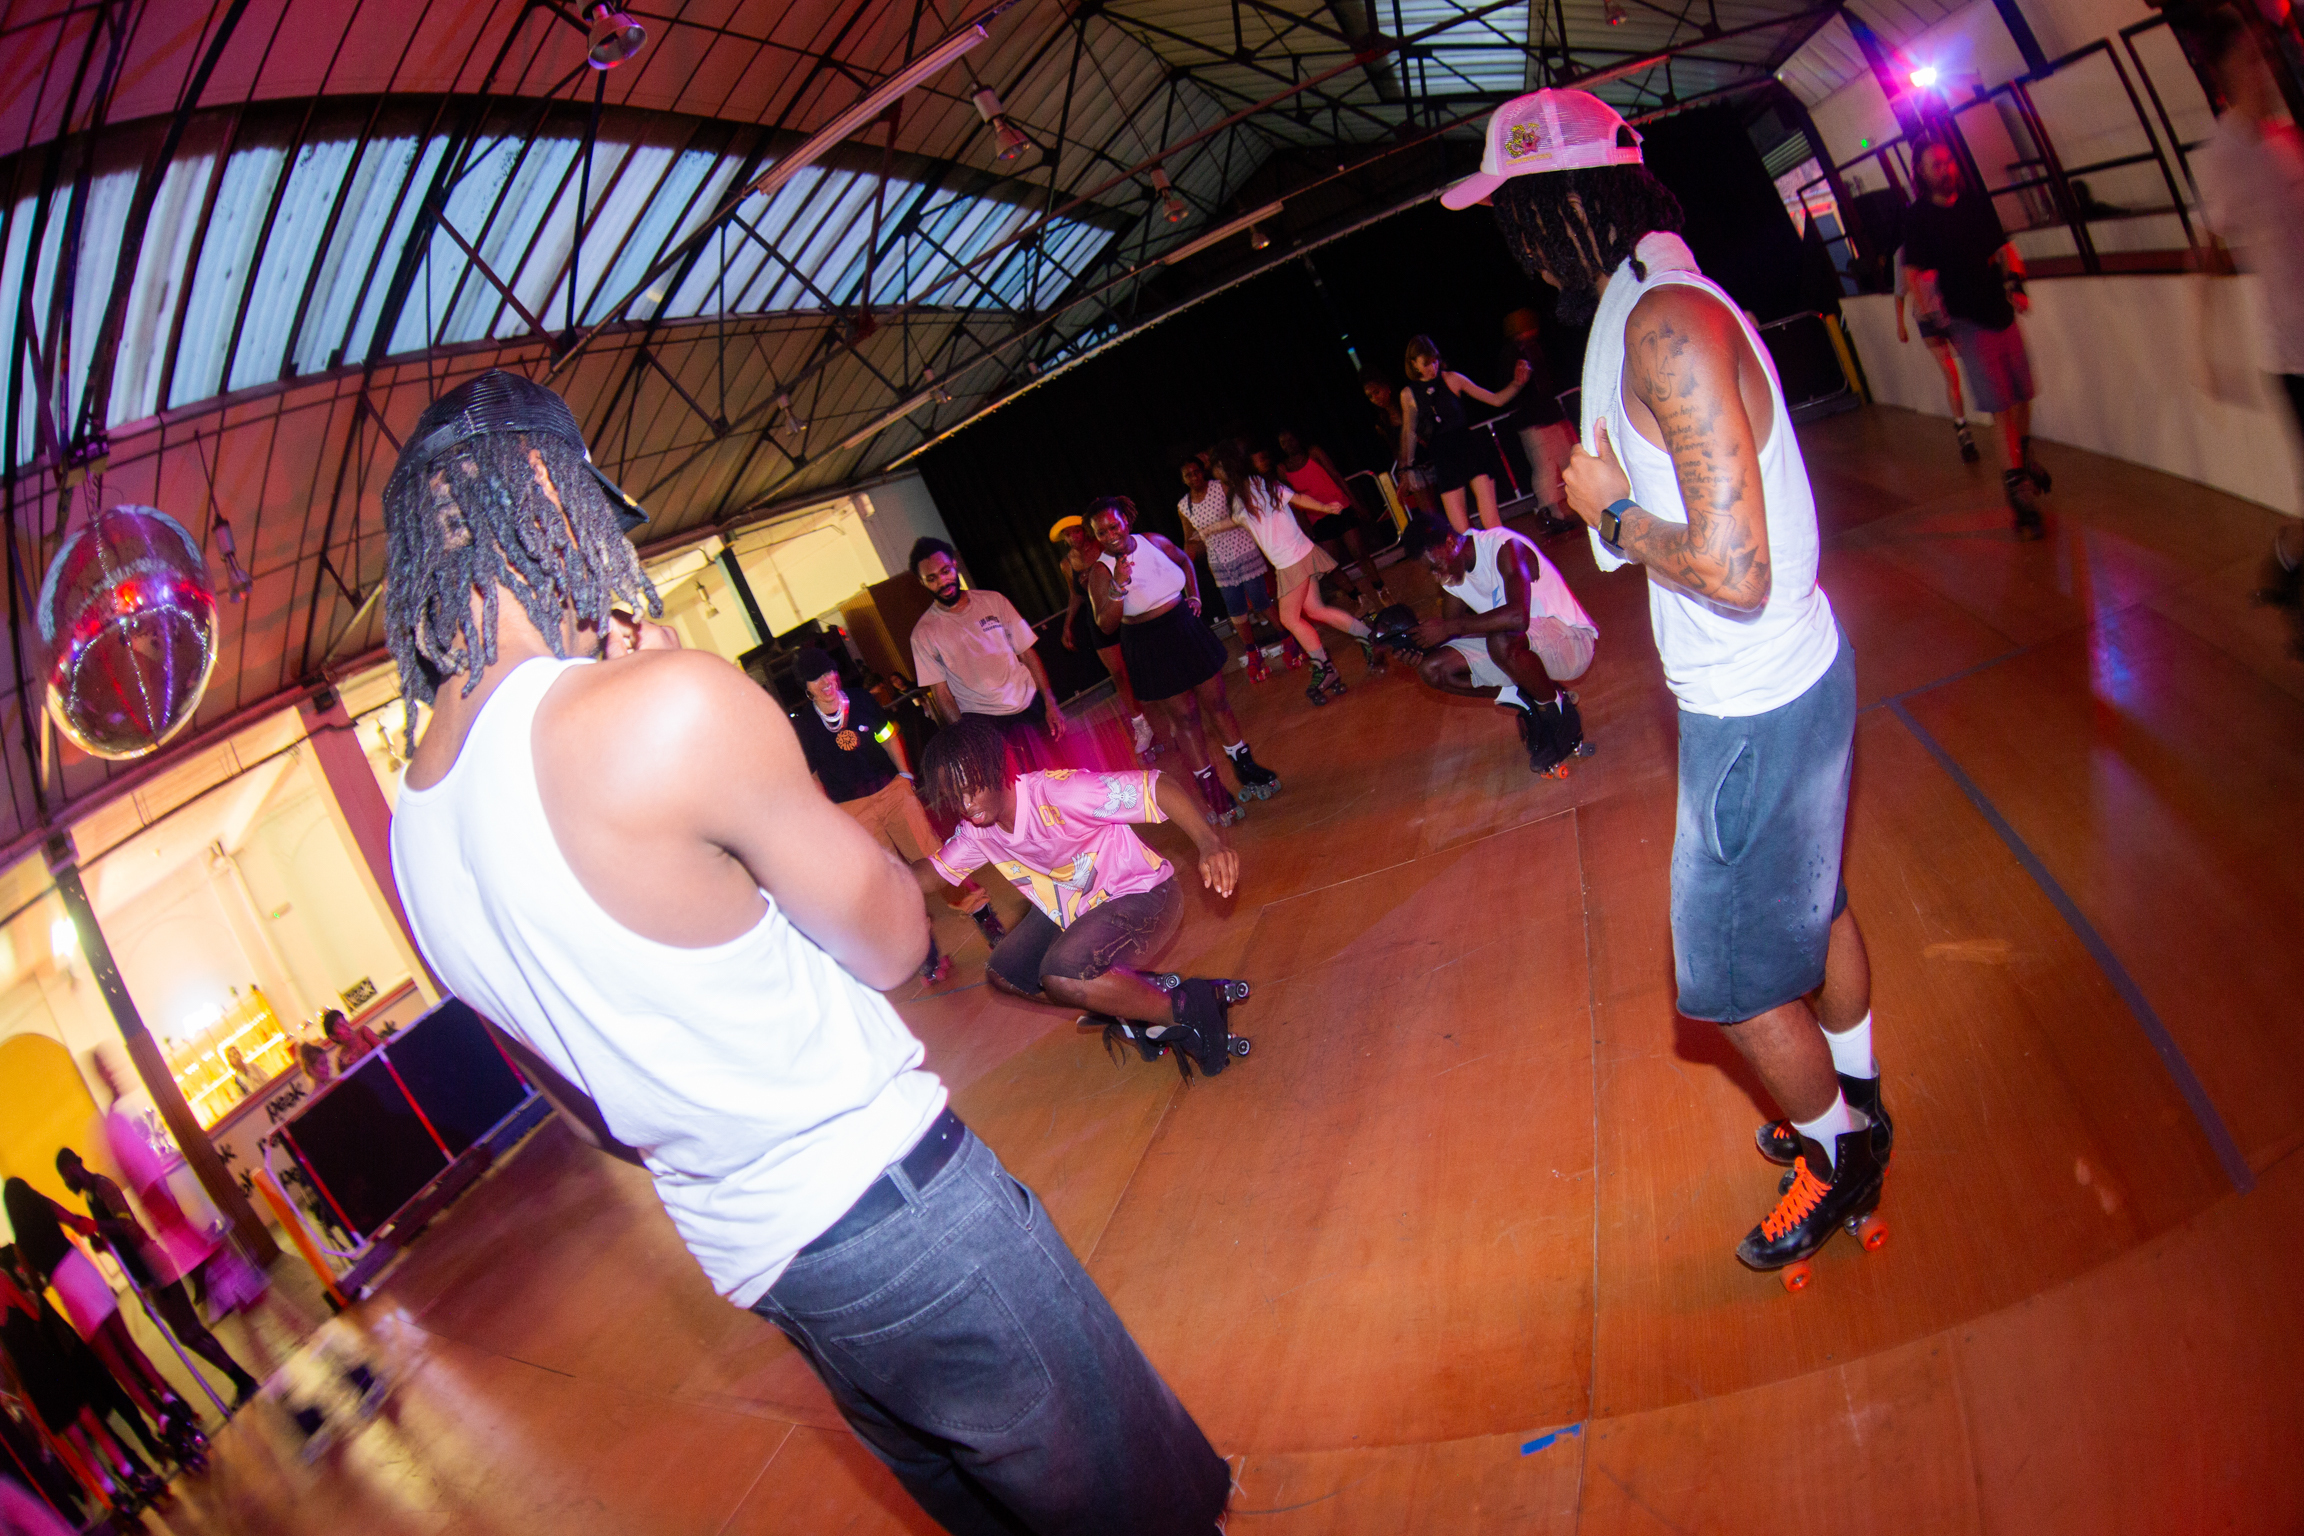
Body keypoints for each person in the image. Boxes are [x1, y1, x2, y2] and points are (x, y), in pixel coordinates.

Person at [379, 368, 1229, 1534]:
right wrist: (699, 703)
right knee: (1148, 1514)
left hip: (775, 1270)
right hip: (904, 1207)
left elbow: (590, 1113)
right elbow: (888, 938)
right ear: (547, 499)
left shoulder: (411, 829)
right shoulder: (659, 706)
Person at [1454, 87, 1887, 1274]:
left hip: (1754, 702)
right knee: (1818, 909)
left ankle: (1839, 1158)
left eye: (1517, 215)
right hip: (1792, 679)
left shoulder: (1664, 329)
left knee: (1733, 984)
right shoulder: (1659, 286)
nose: (1513, 242)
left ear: (1564, 206)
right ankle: (1857, 1099)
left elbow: (1734, 572)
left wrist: (1610, 510)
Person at [916, 721, 1253, 1077]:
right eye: (956, 797)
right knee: (1006, 972)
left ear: (995, 768)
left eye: (971, 789)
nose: (967, 805)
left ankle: (1184, 1009)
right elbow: (930, 874)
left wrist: (1209, 843)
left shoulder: (1060, 793)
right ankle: (1129, 1000)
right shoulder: (975, 832)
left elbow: (1156, 787)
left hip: (1144, 895)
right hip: (1077, 911)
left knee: (1063, 976)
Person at [2191, 5, 2304, 654]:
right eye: (2251, 60)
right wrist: (2206, 348)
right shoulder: (2222, 155)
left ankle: (2289, 567)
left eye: (2265, 56)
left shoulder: (2287, 143)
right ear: (2226, 73)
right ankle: (2288, 564)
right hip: (2292, 354)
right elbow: (2204, 251)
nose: (2264, 70)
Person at [788, 644, 1004, 980]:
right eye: (816, 679)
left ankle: (990, 926)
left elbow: (887, 734)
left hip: (891, 792)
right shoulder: (805, 726)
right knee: (888, 880)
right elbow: (812, 775)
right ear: (807, 687)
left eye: (827, 672)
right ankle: (927, 956)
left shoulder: (859, 700)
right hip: (853, 810)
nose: (825, 681)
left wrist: (904, 775)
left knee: (936, 858)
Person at [1085, 495, 1281, 823]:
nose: (1110, 535)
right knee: (1186, 717)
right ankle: (1210, 787)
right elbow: (1105, 624)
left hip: (1184, 626)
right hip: (1149, 642)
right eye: (1101, 533)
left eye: (1113, 526)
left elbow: (1186, 562)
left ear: (1125, 521)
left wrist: (1194, 595)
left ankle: (1245, 765)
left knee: (1218, 702)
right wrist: (1118, 587)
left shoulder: (1153, 541)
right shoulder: (1101, 572)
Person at [1900, 139, 2048, 536]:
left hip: (1999, 312)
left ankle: (2024, 451)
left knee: (2023, 395)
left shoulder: (1976, 203)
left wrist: (2016, 283)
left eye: (1948, 162)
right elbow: (1916, 275)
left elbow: (2004, 247)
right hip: (1967, 321)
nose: (1945, 170)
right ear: (1921, 171)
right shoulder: (1919, 218)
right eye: (1936, 165)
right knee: (2002, 406)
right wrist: (1941, 322)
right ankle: (2019, 493)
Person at [52, 1150, 260, 1410]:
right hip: (142, 1272)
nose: (67, 1181)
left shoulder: (103, 1186)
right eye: (64, 1177)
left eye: (67, 1173)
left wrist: (97, 1227)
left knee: (189, 1332)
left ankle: (242, 1379)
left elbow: (128, 1224)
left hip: (150, 1263)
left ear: (76, 1164)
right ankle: (240, 1379)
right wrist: (102, 1241)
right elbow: (116, 1232)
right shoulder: (92, 1196)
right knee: (189, 1333)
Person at [0, 1181, 192, 1463]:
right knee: (131, 1347)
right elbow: (79, 1223)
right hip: (81, 1268)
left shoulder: (21, 1247)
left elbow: (36, 1285)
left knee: (118, 1366)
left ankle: (160, 1421)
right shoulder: (46, 1206)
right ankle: (169, 1400)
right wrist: (93, 1233)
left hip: (65, 1286)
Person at [1396, 514, 1596, 774]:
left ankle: (1555, 712)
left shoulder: (1505, 546)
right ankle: (1526, 701)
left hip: (1571, 642)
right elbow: (1453, 636)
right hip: (1522, 648)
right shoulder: (1455, 579)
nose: (1437, 576)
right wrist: (1419, 648)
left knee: (1502, 637)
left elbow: (1517, 617)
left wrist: (1450, 627)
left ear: (1449, 542)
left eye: (1435, 566)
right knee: (1433, 668)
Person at [0, 1248, 166, 1517]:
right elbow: (33, 1312)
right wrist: (31, 1290)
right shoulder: (3, 1279)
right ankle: (132, 1475)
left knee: (78, 1440)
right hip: (47, 1361)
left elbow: (5, 1357)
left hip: (31, 1378)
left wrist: (22, 1389)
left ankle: (113, 1494)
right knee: (90, 1421)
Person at [1221, 448, 1383, 706]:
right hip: (1295, 556)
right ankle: (1368, 635)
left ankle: (1325, 667)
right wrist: (1212, 529)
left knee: (1289, 618)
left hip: (1292, 559)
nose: (1216, 475)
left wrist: (1326, 508)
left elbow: (1294, 498)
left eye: (1219, 469)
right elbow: (1243, 518)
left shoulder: (1258, 487)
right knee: (1316, 610)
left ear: (1229, 469)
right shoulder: (1244, 494)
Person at [906, 537, 1068, 768]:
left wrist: (1050, 703)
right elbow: (941, 693)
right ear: (922, 583)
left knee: (1064, 771)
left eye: (945, 571)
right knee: (1019, 790)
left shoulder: (993, 600)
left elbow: (1028, 654)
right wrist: (967, 738)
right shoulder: (923, 634)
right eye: (932, 578)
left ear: (954, 564)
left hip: (1030, 704)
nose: (942, 582)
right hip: (984, 722)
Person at [1175, 453, 1293, 682]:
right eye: (1188, 475)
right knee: (1235, 607)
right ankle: (1252, 651)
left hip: (1243, 548)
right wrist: (1183, 566)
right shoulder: (1184, 505)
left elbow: (1242, 513)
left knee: (1260, 599)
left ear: (1203, 472)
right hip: (1219, 560)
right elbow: (1189, 539)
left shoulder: (1221, 487)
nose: (1193, 477)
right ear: (1183, 479)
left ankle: (1287, 637)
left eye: (1196, 472)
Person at [1399, 334, 1533, 533]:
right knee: (1462, 530)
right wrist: (1406, 468)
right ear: (1414, 364)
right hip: (1444, 457)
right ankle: (1481, 563)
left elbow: (1495, 400)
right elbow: (1409, 432)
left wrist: (1517, 383)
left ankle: (1507, 559)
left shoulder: (1452, 378)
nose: (1432, 368)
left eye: (1434, 361)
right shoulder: (1408, 394)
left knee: (1491, 521)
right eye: (1426, 364)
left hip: (1468, 448)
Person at [1052, 518, 1158, 759]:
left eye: (1076, 531)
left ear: (1084, 531)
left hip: (1125, 608)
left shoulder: (1103, 547)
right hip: (1099, 617)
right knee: (1119, 674)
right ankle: (1141, 726)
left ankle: (1167, 712)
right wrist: (1067, 625)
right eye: (1067, 535)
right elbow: (1075, 596)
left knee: (1145, 663)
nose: (1073, 538)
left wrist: (1101, 578)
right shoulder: (1067, 563)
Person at [1266, 434, 1389, 612]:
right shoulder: (1283, 468)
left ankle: (1380, 588)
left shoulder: (1314, 452)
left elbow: (1336, 476)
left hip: (1339, 507)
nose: (1288, 445)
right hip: (1317, 517)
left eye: (1291, 439)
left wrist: (1355, 503)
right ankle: (1357, 596)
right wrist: (1304, 527)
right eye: (1283, 443)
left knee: (1359, 552)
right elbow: (1293, 501)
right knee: (1329, 566)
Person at [1891, 247, 1979, 463]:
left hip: (1940, 315)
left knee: (1960, 370)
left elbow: (1900, 292)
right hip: (1937, 316)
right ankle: (1962, 427)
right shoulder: (1905, 251)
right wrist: (1900, 324)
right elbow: (1900, 292)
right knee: (1952, 373)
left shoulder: (1906, 251)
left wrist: (1901, 324)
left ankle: (1963, 428)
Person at [1500, 309, 1581, 533]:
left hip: (1544, 414)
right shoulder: (1514, 354)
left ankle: (1562, 508)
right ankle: (1549, 512)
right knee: (1545, 465)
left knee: (1563, 459)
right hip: (1533, 418)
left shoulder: (1529, 348)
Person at [1361, 369, 1441, 517]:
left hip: (1431, 457)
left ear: (1386, 388)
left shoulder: (1407, 402)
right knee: (1429, 513)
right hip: (1412, 467)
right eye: (1370, 397)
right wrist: (1402, 473)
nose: (1375, 398)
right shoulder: (1382, 422)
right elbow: (1395, 449)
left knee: (1445, 501)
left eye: (1376, 392)